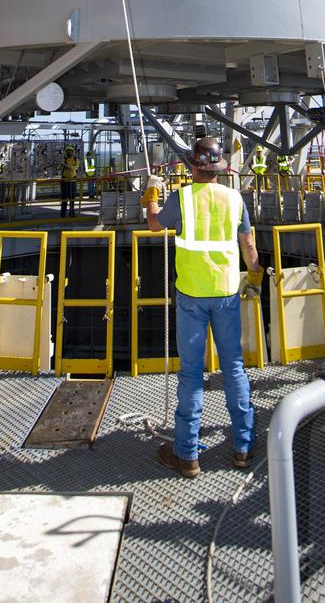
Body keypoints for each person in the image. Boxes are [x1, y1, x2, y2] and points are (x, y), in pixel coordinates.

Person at [142, 136, 264, 479]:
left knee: (192, 375)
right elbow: (249, 246)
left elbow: (154, 225)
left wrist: (151, 199)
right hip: (227, 293)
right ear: (220, 168)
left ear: (193, 167)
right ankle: (243, 447)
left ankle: (186, 455)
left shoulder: (182, 198)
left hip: (192, 296)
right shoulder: (234, 198)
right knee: (234, 368)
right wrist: (254, 277)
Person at [60, 144, 79, 218]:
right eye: (68, 151)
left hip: (73, 180)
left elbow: (76, 167)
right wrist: (63, 166)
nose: (69, 152)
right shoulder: (64, 159)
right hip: (65, 180)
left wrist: (69, 167)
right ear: (66, 152)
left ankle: (72, 213)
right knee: (64, 198)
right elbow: (60, 168)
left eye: (70, 151)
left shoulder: (75, 159)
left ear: (72, 152)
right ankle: (63, 214)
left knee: (72, 198)